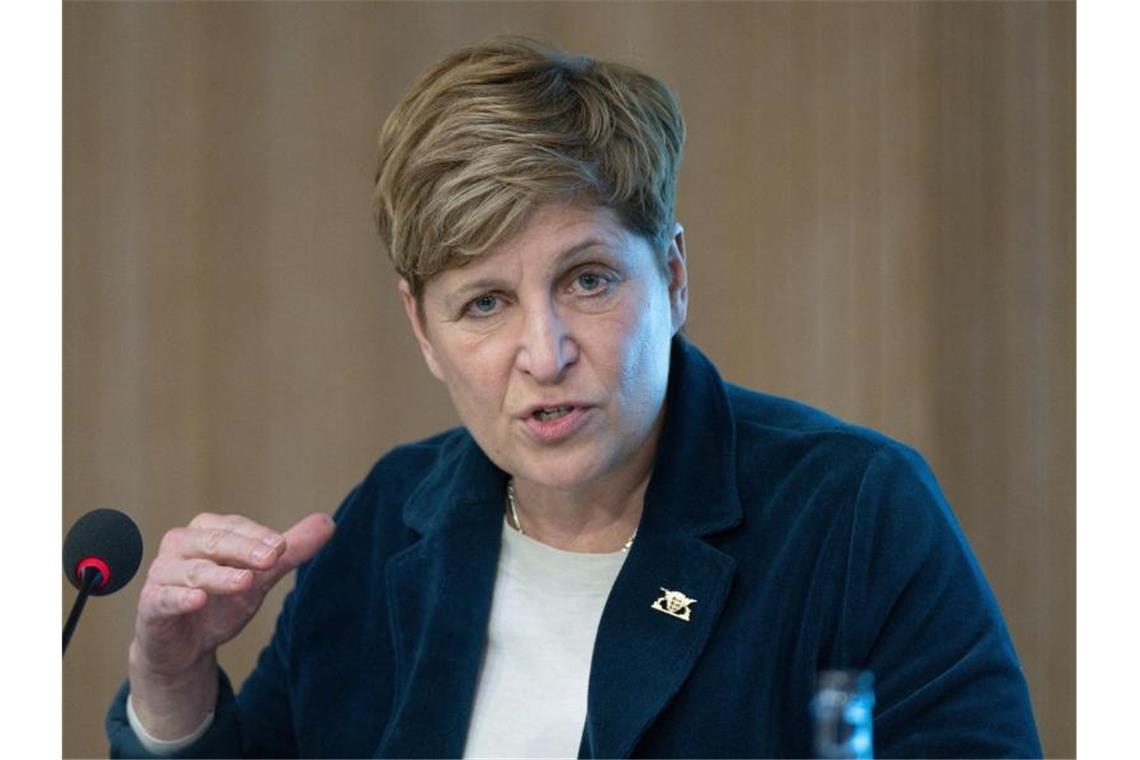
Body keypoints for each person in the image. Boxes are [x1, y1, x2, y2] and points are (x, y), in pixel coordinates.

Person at [106, 38, 1041, 758]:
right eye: (484, 304)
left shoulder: (852, 516)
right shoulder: (390, 524)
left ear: (672, 276)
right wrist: (171, 686)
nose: (543, 355)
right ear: (423, 332)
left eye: (589, 280)